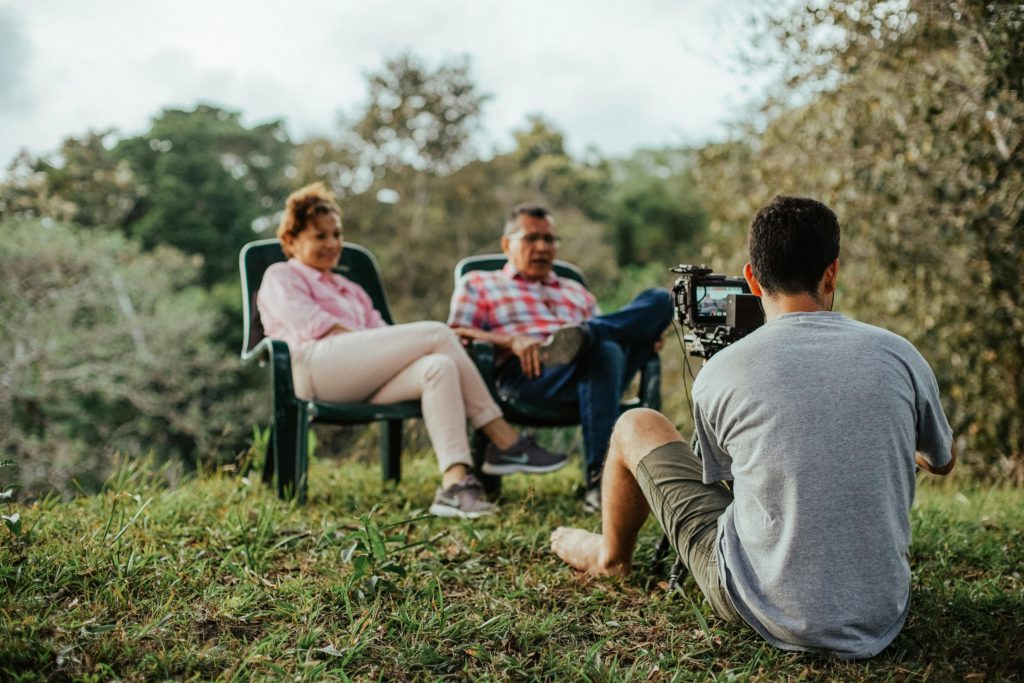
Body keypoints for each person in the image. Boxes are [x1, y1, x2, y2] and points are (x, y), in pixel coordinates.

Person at [550, 196, 955, 660]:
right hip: (882, 612)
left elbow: (724, 480)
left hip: (760, 606)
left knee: (635, 423)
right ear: (832, 273)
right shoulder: (900, 354)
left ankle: (610, 561)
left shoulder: (722, 371)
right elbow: (942, 461)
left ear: (751, 278)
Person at [257, 183, 567, 519]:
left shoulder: (351, 290)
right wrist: (385, 347)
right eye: (320, 236)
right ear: (291, 241)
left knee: (438, 367)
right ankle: (504, 439)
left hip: (366, 377)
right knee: (436, 333)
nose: (333, 244)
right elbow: (322, 328)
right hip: (314, 371)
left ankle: (455, 484)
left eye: (337, 234)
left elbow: (381, 337)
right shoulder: (281, 276)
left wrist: (385, 349)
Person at [448, 204, 673, 510]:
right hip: (530, 373)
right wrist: (509, 340)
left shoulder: (575, 290)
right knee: (604, 348)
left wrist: (643, 339)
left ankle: (587, 332)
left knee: (660, 300)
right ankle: (600, 482)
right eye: (531, 238)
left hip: (592, 367)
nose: (542, 247)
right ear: (506, 244)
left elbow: (612, 336)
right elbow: (455, 335)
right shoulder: (479, 283)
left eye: (550, 239)